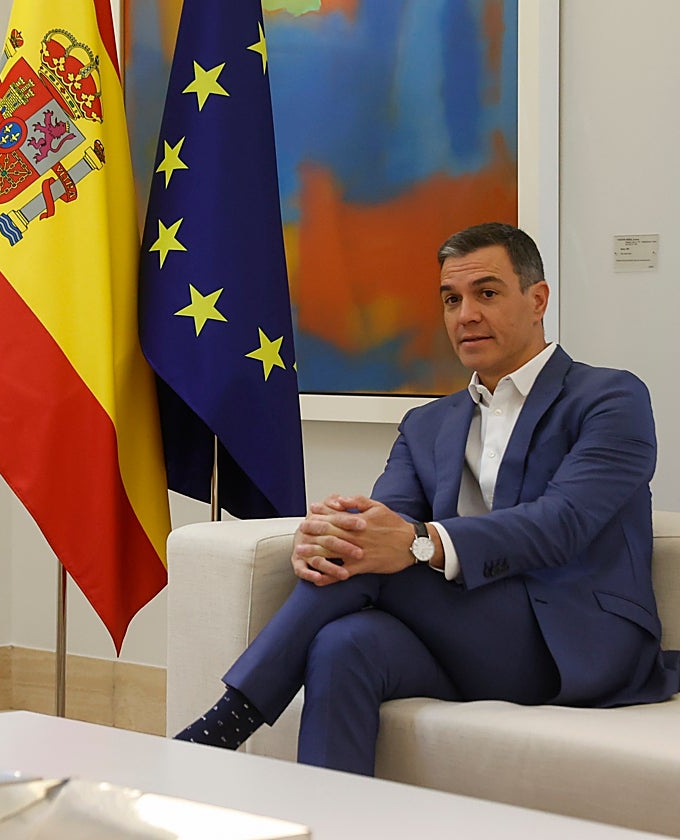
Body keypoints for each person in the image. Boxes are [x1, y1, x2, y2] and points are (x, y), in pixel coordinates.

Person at [176, 222, 680, 774]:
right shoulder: (426, 424)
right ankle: (329, 823)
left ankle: (223, 725)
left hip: (569, 641)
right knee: (345, 643)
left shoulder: (610, 397)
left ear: (537, 300)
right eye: (451, 299)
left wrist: (419, 544)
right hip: (463, 639)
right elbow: (382, 526)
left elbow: (560, 523)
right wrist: (322, 539)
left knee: (376, 560)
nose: (465, 314)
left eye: (486, 293)